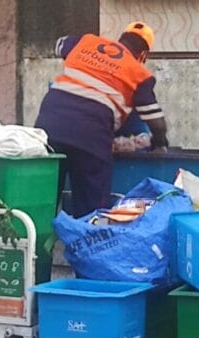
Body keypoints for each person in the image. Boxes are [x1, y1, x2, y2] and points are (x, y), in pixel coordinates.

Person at [35, 22, 169, 216]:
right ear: (143, 55)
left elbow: (59, 45)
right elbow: (156, 120)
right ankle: (86, 241)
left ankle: (36, 242)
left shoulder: (87, 42)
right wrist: (159, 143)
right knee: (91, 207)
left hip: (50, 124)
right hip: (91, 135)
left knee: (44, 195)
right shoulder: (139, 74)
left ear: (121, 38)